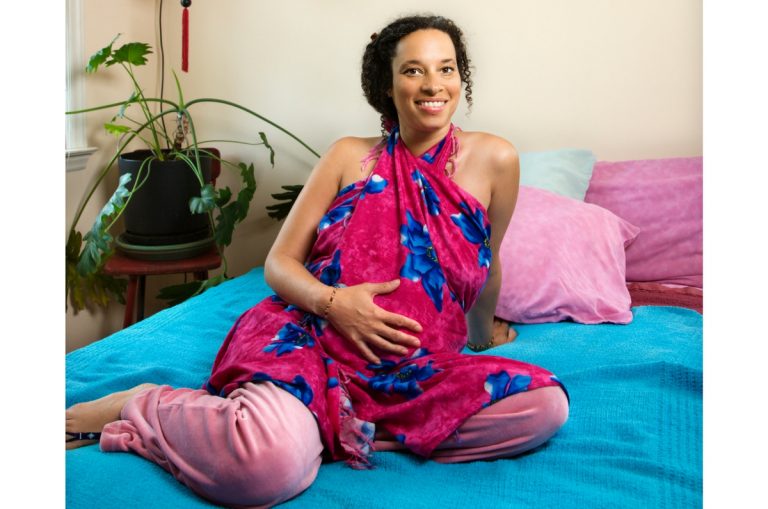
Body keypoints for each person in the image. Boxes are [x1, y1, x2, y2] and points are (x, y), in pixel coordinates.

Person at [66, 14, 569, 508]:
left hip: (414, 372)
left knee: (544, 406)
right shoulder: (349, 156)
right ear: (387, 84)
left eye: (447, 68)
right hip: (314, 341)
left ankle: (344, 427)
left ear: (461, 77)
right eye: (413, 70)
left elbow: (486, 261)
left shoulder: (496, 160)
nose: (433, 85)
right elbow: (280, 263)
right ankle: (146, 403)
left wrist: (481, 338)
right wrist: (335, 305)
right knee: (266, 470)